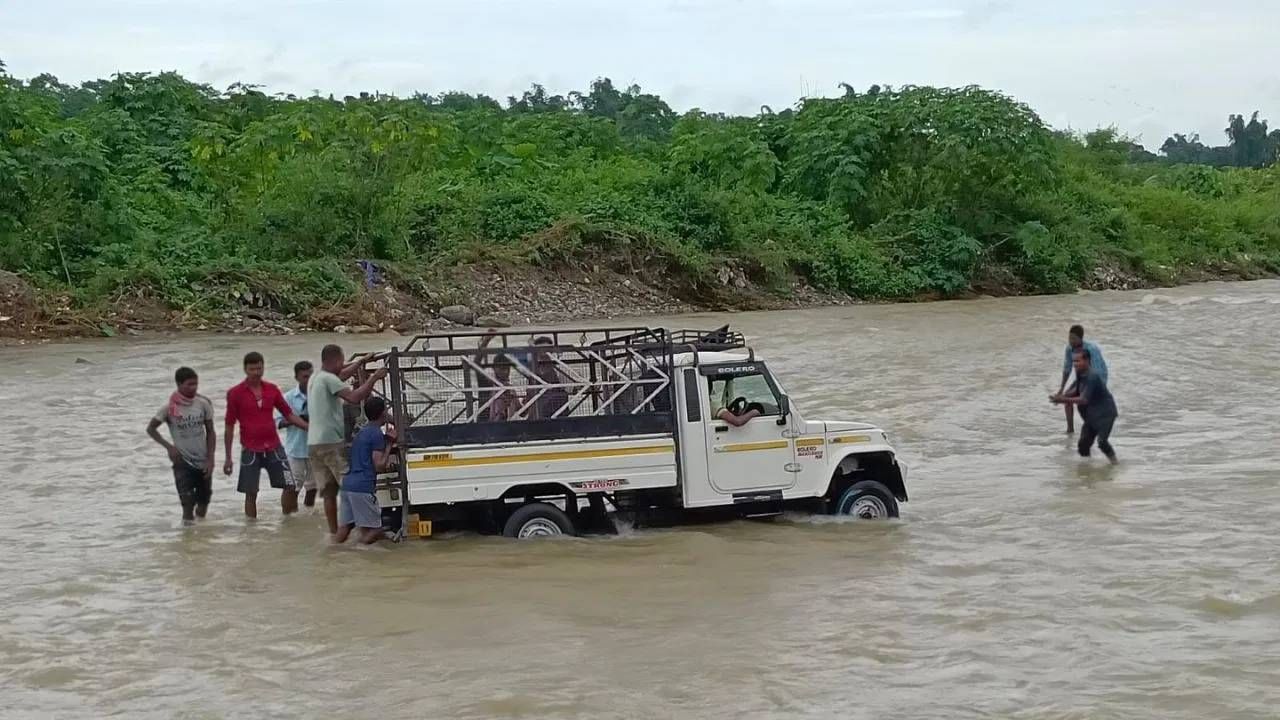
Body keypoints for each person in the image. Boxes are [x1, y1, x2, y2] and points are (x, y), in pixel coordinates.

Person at [308, 344, 387, 535]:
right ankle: (362, 531)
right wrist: (375, 377)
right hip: (330, 443)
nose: (344, 365)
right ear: (335, 361)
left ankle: (336, 533)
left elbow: (341, 374)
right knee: (353, 485)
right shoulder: (328, 379)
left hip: (315, 443)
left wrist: (361, 362)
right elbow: (354, 396)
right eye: (342, 362)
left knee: (330, 492)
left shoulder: (317, 377)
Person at [224, 352, 308, 519]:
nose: (256, 372)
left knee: (290, 485)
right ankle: (252, 530)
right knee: (251, 493)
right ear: (245, 369)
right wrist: (228, 457)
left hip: (274, 447)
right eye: (252, 369)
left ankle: (290, 523)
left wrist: (309, 427)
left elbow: (289, 414)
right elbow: (229, 425)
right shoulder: (235, 393)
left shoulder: (272, 389)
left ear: (263, 367)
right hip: (250, 449)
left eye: (259, 368)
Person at [147, 367, 216, 524]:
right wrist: (169, 447)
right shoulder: (169, 409)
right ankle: (188, 540)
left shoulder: (203, 404)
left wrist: (210, 459)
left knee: (204, 503)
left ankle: (203, 535)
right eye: (189, 385)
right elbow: (151, 429)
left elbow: (211, 431)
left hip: (203, 460)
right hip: (182, 462)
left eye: (196, 384)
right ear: (178, 384)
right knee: (187, 504)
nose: (193, 388)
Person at [335, 396, 395, 545]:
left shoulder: (361, 432)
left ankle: (332, 551)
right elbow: (379, 465)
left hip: (347, 485)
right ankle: (359, 552)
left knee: (345, 528)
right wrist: (389, 444)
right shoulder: (376, 434)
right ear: (383, 414)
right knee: (376, 529)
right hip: (362, 486)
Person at [1051, 349, 1119, 463]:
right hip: (1091, 416)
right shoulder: (1080, 373)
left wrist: (1063, 399)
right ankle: (1087, 471)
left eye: (1078, 361)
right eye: (1073, 362)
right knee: (1083, 445)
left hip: (1105, 415)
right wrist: (1059, 398)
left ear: (1087, 360)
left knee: (1102, 442)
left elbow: (1083, 399)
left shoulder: (1092, 376)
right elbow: (1074, 390)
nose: (1075, 364)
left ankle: (1115, 464)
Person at [278, 361, 316, 511]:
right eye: (305, 376)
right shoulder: (288, 398)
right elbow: (277, 423)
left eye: (311, 376)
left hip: (316, 449)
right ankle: (288, 520)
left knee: (313, 487)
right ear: (297, 377)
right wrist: (296, 419)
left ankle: (308, 516)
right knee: (291, 488)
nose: (309, 380)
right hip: (295, 451)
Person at [1057, 324, 1108, 434]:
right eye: (1069, 338)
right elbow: (1067, 369)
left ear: (1081, 338)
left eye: (1074, 338)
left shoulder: (1091, 349)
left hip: (1097, 378)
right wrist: (1061, 388)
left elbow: (1099, 371)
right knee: (1066, 397)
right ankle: (1070, 430)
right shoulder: (1069, 349)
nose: (1071, 341)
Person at [474, 329, 518, 421]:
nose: (505, 372)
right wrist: (485, 342)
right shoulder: (488, 383)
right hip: (485, 425)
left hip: (504, 427)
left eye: (507, 369)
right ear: (494, 368)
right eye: (501, 368)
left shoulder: (510, 389)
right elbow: (476, 364)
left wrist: (530, 400)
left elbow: (521, 411)